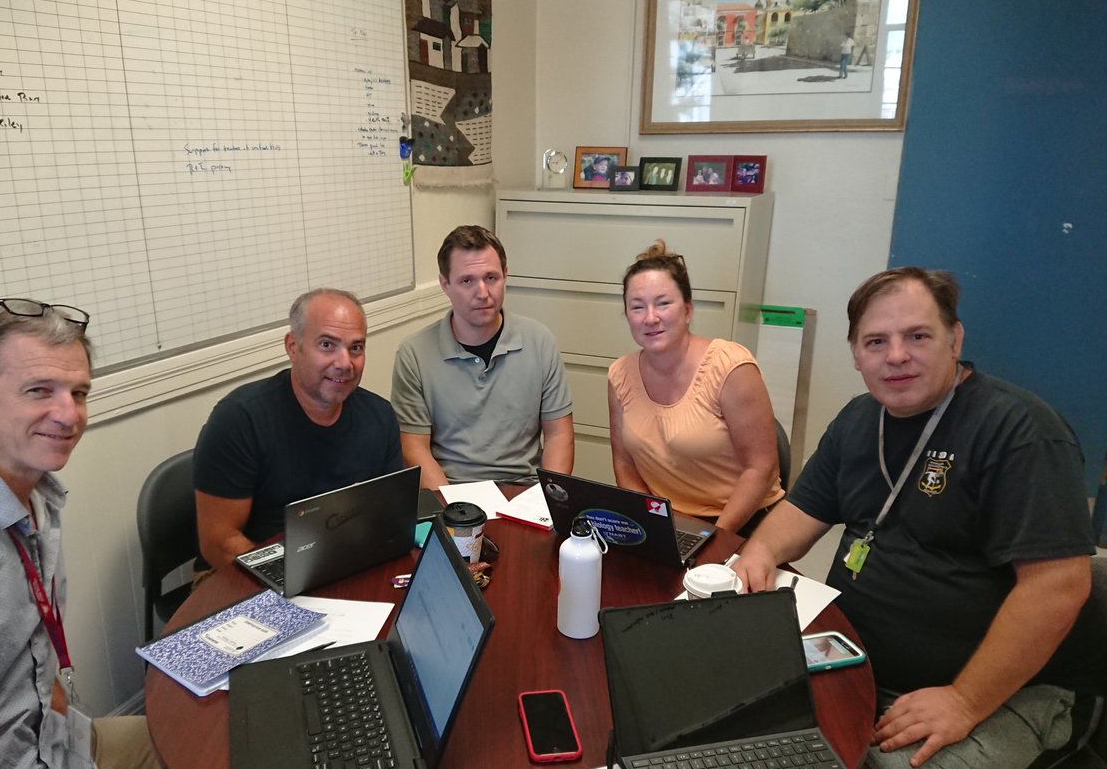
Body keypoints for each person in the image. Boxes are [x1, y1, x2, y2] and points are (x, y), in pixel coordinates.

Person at [733, 267, 1107, 769]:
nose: (896, 356)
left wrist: (964, 700)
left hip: (1009, 693)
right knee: (735, 740)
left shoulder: (1021, 432)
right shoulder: (859, 419)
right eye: (876, 342)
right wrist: (758, 550)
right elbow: (798, 516)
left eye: (919, 336)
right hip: (861, 664)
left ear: (956, 340)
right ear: (856, 354)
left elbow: (1057, 586)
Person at [0, 299, 230, 769]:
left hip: (55, 751)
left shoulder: (35, 491)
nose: (69, 414)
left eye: (79, 392)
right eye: (40, 390)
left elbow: (33, 658)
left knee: (237, 745)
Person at [194, 289, 401, 569]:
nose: (344, 363)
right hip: (244, 572)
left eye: (356, 348)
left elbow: (386, 517)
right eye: (327, 345)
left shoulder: (380, 416)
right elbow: (218, 542)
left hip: (340, 564)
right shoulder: (239, 420)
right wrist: (288, 578)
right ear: (293, 346)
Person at [607, 242, 783, 535]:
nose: (650, 318)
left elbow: (762, 469)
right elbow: (624, 465)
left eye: (663, 303)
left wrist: (710, 540)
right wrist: (653, 525)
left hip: (743, 522)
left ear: (688, 310)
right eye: (637, 307)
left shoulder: (731, 367)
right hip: (671, 524)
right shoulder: (620, 375)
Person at [391, 225, 574, 489]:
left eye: (491, 278)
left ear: (505, 275)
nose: (482, 292)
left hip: (523, 490)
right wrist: (452, 510)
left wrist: (548, 501)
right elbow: (413, 448)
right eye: (467, 281)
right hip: (450, 492)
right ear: (445, 284)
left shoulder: (540, 341)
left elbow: (559, 434)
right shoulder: (414, 354)